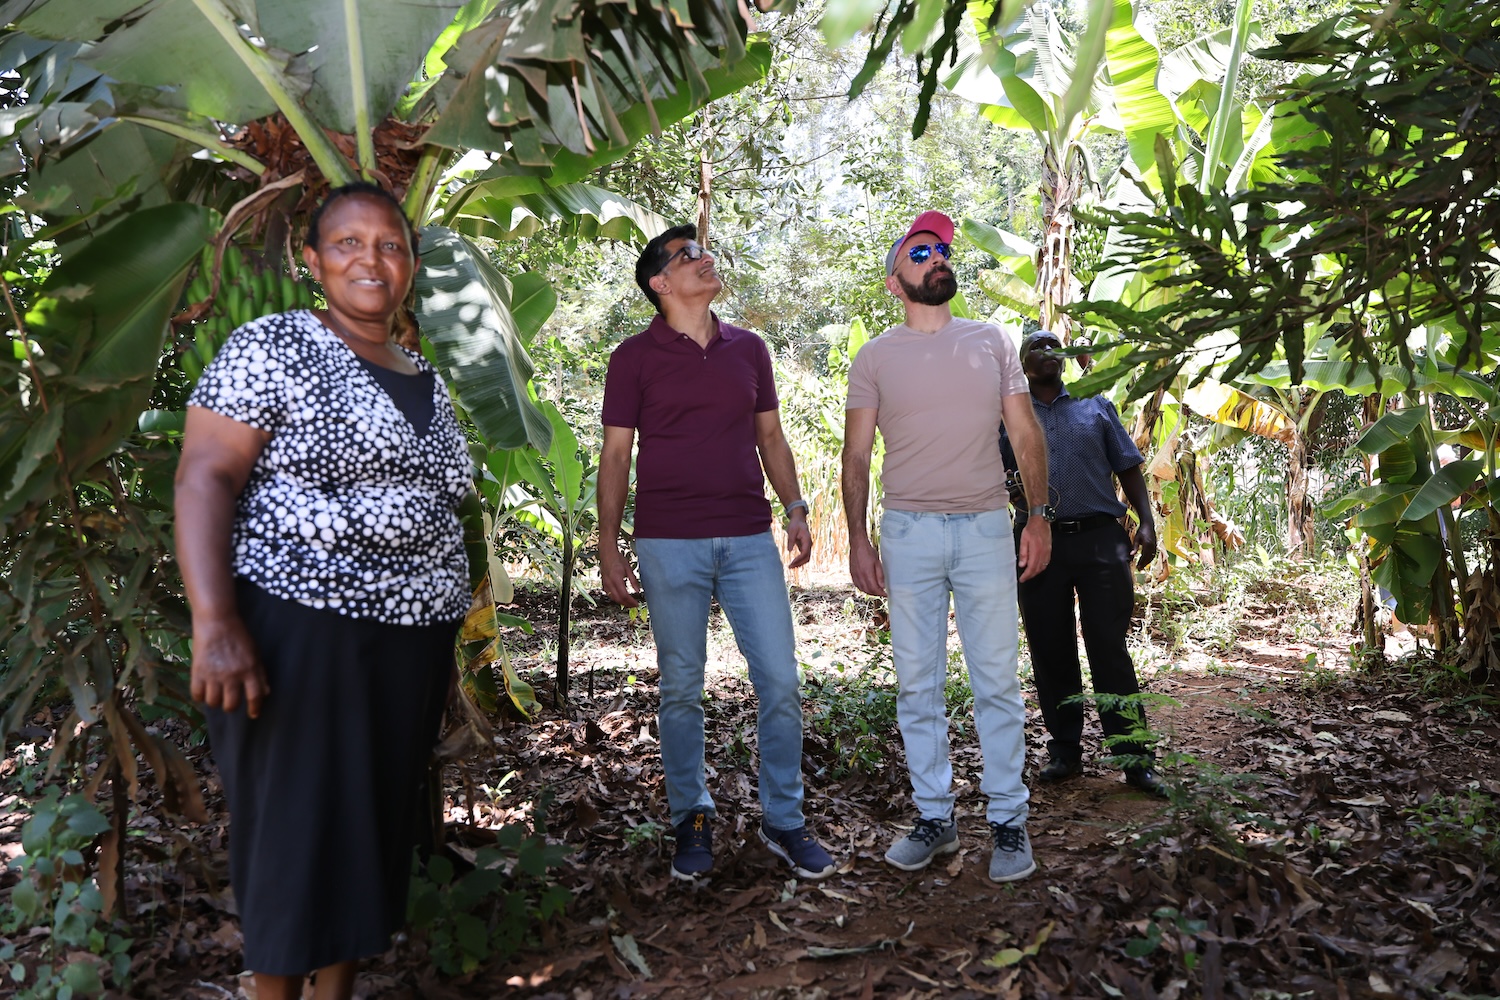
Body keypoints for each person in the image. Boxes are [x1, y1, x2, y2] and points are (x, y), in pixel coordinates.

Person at [175, 183, 472, 1000]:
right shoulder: (273, 345)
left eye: (389, 245)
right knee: (297, 830)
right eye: (347, 244)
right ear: (312, 261)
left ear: (409, 265)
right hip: (299, 625)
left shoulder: (424, 375)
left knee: (367, 827)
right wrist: (215, 621)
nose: (369, 260)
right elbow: (206, 474)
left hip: (408, 639)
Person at [597, 223, 836, 882]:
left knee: (781, 682)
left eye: (704, 251)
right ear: (660, 284)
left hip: (747, 536)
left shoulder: (748, 350)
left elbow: (771, 437)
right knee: (681, 690)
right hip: (667, 541)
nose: (705, 261)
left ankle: (784, 820)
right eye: (687, 256)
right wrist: (609, 543)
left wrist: (795, 508)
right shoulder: (633, 358)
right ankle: (692, 819)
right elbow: (616, 455)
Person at [842, 210, 1052, 884]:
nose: (938, 259)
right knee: (918, 686)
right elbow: (855, 456)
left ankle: (1009, 824)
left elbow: (1025, 436)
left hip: (988, 525)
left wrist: (1038, 516)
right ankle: (934, 818)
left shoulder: (991, 340)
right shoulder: (874, 356)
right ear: (893, 282)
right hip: (909, 532)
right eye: (920, 252)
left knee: (996, 681)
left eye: (942, 251)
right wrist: (857, 539)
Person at [1002, 330, 1163, 794]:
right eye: (1036, 347)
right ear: (1022, 363)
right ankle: (1065, 751)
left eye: (1055, 345)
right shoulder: (1008, 416)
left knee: (1109, 647)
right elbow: (991, 474)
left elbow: (1127, 465)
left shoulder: (1096, 405)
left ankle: (1134, 757)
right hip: (1036, 544)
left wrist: (1146, 521)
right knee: (1050, 650)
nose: (1047, 352)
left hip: (1100, 541)